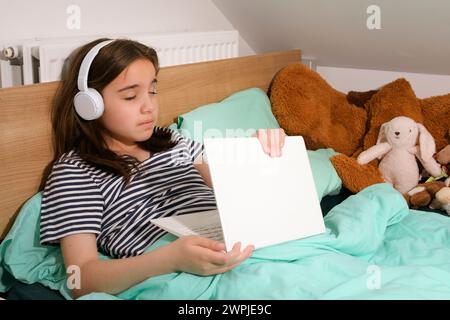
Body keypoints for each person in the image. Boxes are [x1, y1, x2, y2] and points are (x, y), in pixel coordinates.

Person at [38, 38, 286, 298]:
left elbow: (232, 185)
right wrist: (171, 259)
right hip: (180, 271)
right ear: (90, 104)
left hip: (244, 243)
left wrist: (257, 155)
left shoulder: (171, 139)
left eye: (153, 91)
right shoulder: (75, 171)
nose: (150, 107)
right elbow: (81, 279)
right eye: (131, 96)